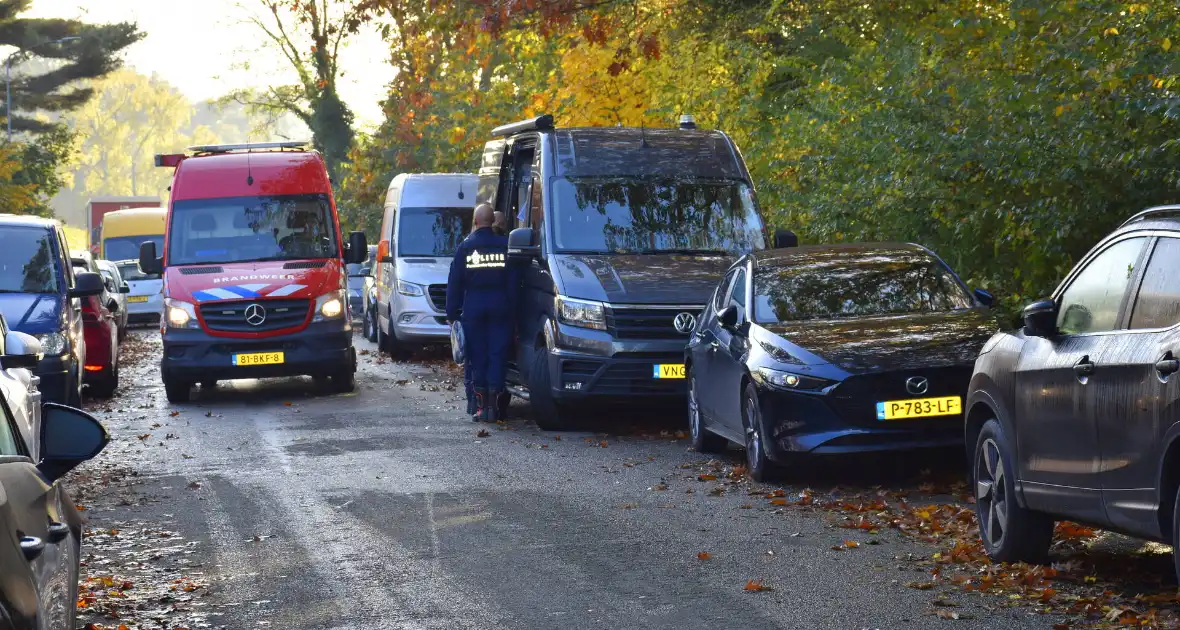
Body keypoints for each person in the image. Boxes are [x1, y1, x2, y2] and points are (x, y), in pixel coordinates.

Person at [447, 203, 516, 422]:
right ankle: (494, 407)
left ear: (476, 222)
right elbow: (513, 283)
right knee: (497, 355)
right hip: (500, 307)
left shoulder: (465, 248)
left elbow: (455, 283)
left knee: (477, 357)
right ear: (493, 221)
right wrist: (514, 312)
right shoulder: (505, 246)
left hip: (474, 308)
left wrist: (452, 313)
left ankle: (480, 406)